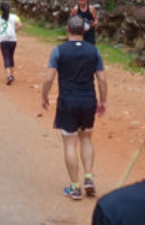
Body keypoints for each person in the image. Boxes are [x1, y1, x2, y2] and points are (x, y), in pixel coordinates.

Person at [41, 15, 107, 199]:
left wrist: (44, 96)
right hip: (88, 100)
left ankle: (75, 187)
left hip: (67, 101)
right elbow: (101, 79)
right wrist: (103, 101)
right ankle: (88, 177)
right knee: (86, 138)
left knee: (70, 142)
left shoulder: (58, 51)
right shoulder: (94, 51)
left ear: (68, 30)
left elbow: (48, 78)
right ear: (84, 30)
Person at [0, 2, 23, 86]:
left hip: (3, 39)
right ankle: (12, 74)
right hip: (12, 39)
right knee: (11, 56)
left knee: (6, 57)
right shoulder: (14, 17)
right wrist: (15, 31)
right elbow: (20, 25)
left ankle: (8, 75)